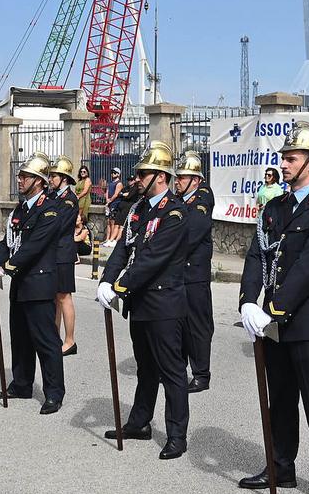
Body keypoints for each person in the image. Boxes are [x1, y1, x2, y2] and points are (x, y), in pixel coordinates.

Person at [238, 123, 309, 494]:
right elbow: (257, 255)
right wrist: (248, 301)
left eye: (291, 158)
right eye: (283, 158)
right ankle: (280, 466)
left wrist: (271, 310)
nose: (283, 164)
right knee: (280, 400)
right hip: (273, 323)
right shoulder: (275, 207)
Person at [98, 142, 192, 459]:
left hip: (164, 304)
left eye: (143, 174)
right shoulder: (138, 209)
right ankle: (140, 422)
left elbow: (153, 258)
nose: (137, 178)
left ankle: (177, 435)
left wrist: (120, 286)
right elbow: (123, 249)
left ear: (160, 176)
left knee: (172, 372)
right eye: (138, 173)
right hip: (140, 304)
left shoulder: (175, 212)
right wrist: (106, 280)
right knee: (145, 368)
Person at [0, 152, 72, 414]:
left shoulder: (50, 209)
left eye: (25, 176)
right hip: (21, 284)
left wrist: (5, 269)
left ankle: (54, 393)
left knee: (46, 341)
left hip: (39, 284)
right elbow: (8, 242)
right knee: (20, 337)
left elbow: (33, 247)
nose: (20, 179)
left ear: (40, 181)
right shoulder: (20, 209)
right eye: (20, 175)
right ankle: (21, 384)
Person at [174, 150, 215, 392]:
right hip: (179, 274)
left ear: (195, 180)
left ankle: (201, 374)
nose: (177, 181)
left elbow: (191, 234)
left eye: (182, 177)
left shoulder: (201, 200)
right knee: (178, 324)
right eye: (177, 176)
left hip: (194, 275)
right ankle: (177, 369)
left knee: (197, 326)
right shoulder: (180, 200)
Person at [48, 156, 80, 356]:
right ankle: (55, 337)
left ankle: (70, 341)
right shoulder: (53, 196)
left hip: (63, 253)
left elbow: (57, 225)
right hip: (54, 252)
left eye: (54, 176)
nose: (50, 179)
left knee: (64, 296)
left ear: (64, 178)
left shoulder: (69, 200)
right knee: (55, 297)